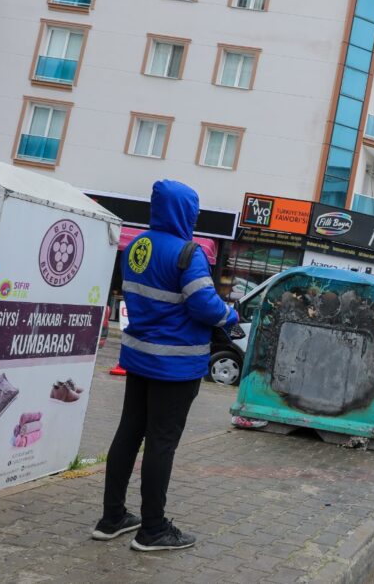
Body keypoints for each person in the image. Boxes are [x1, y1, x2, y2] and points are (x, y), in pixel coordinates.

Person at [92, 180, 238, 551]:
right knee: (161, 443)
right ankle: (153, 529)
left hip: (138, 357)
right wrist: (230, 313)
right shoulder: (189, 253)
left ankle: (112, 518)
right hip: (175, 366)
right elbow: (204, 305)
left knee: (128, 433)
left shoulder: (137, 245)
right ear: (186, 212)